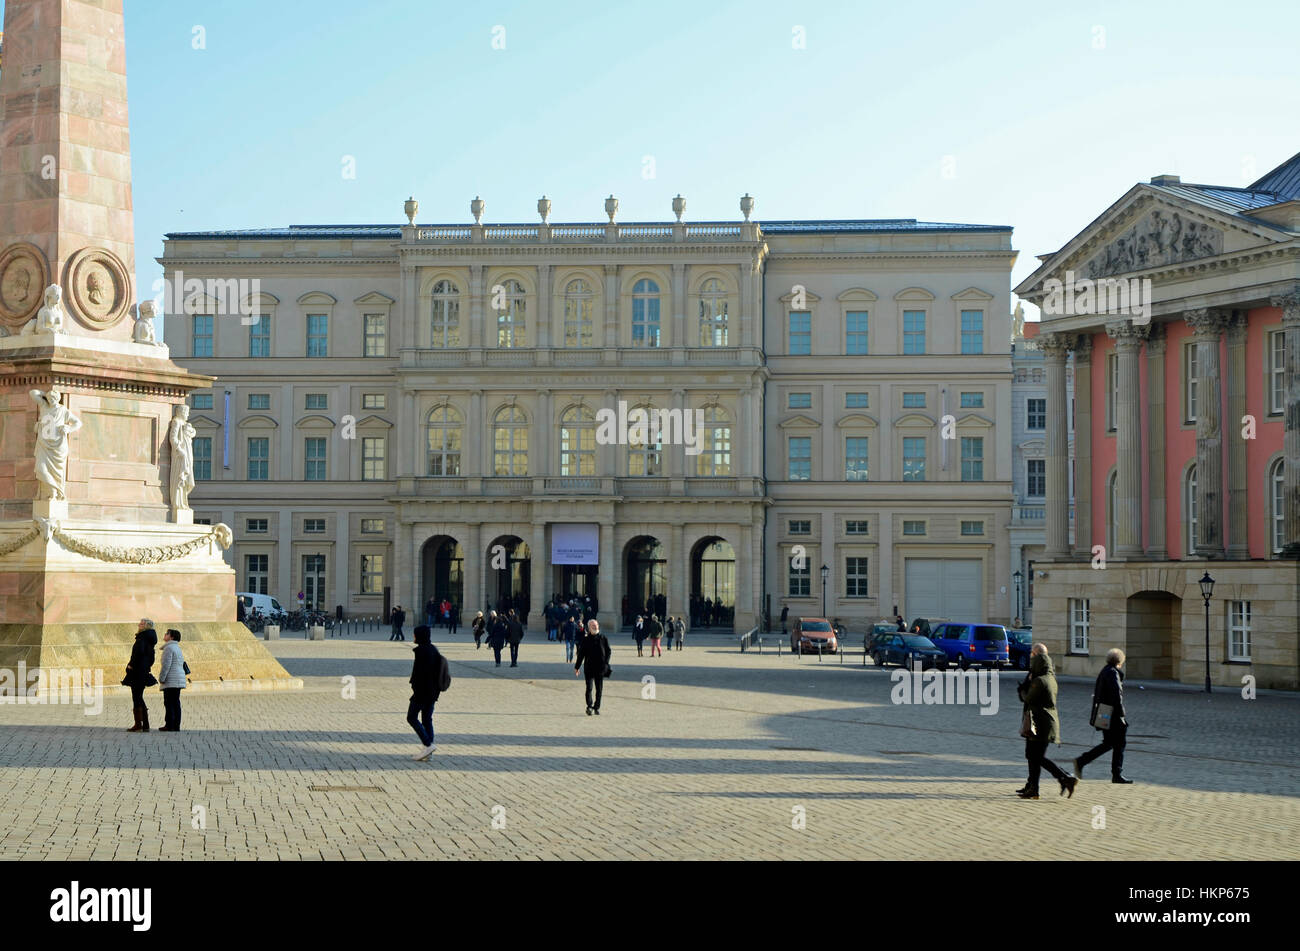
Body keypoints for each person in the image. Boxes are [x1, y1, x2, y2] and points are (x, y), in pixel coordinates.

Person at [1017, 643, 1076, 799]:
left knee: (1036, 756)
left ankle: (1065, 778)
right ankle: (1033, 787)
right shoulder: (1047, 677)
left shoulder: (1041, 680)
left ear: (1038, 657)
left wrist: (1023, 689)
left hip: (1041, 723)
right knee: (1033, 756)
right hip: (1039, 721)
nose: (1030, 657)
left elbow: (1027, 698)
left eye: (1032, 654)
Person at [1074, 649, 1133, 784]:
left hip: (1103, 711)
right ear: (1120, 661)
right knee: (1120, 743)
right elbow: (1116, 697)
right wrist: (1121, 716)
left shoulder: (1105, 671)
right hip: (1111, 713)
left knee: (1108, 743)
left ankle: (1082, 761)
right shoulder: (1113, 673)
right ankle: (1116, 773)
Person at [407, 625, 449, 761]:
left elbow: (420, 675)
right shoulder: (432, 649)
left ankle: (428, 744)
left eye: (414, 634)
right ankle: (428, 752)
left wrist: (415, 688)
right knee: (426, 719)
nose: (413, 637)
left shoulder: (422, 652)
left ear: (419, 636)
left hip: (422, 692)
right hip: (432, 692)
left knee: (411, 717)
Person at [121, 619, 158, 733]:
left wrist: (131, 665)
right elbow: (151, 658)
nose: (139, 625)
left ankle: (139, 724)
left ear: (146, 626)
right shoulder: (149, 640)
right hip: (143, 671)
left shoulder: (142, 639)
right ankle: (144, 724)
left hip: (137, 672)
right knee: (139, 696)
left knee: (136, 697)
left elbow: (137, 654)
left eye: (141, 624)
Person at [574, 618, 611, 716]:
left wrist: (606, 663)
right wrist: (577, 667)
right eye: (593, 626)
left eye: (596, 625)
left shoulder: (603, 638)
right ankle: (589, 706)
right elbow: (581, 654)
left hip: (600, 668)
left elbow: (608, 651)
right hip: (589, 668)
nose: (595, 627)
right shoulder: (586, 640)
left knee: (599, 689)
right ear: (589, 628)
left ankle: (596, 707)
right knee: (589, 688)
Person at [157, 629, 187, 731]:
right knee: (176, 702)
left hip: (171, 679)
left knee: (169, 702)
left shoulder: (169, 648)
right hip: (178, 678)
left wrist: (162, 678)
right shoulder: (177, 648)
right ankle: (176, 725)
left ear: (172, 637)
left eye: (167, 634)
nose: (165, 635)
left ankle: (169, 725)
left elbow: (166, 665)